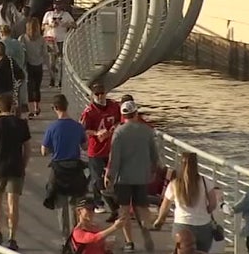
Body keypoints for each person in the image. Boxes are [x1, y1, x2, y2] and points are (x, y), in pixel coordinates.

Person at [106, 100, 159, 253]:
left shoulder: (119, 132)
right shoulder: (147, 131)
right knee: (142, 208)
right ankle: (146, 235)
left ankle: (129, 242)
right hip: (142, 177)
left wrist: (109, 175)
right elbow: (154, 154)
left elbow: (114, 158)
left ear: (122, 115)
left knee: (124, 210)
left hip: (123, 178)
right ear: (136, 113)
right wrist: (154, 170)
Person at [0, 94, 31, 252]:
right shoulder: (22, 124)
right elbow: (28, 149)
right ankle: (12, 237)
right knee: (13, 204)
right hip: (16, 168)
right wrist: (23, 165)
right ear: (13, 106)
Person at [41, 94, 88, 242]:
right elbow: (85, 146)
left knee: (61, 208)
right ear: (67, 105)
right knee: (76, 205)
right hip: (75, 169)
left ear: (55, 108)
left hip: (59, 170)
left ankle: (64, 240)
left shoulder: (52, 127)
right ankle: (77, 237)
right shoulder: (77, 126)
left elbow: (44, 151)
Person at [153, 152, 219, 253]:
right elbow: (213, 204)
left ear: (181, 165)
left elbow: (165, 208)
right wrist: (206, 211)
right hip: (203, 227)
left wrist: (159, 221)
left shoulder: (174, 184)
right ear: (196, 165)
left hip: (181, 226)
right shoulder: (206, 182)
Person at [80, 83, 121, 217]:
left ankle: (116, 202)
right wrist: (96, 133)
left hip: (111, 148)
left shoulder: (115, 106)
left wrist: (115, 127)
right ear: (92, 95)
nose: (100, 96)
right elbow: (84, 130)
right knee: (97, 179)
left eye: (102, 93)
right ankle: (99, 203)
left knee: (112, 177)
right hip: (96, 150)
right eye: (97, 94)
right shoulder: (89, 111)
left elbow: (120, 121)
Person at [20, 18, 47, 118]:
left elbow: (22, 51)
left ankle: (31, 110)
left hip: (28, 64)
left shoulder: (23, 38)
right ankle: (37, 108)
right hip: (38, 64)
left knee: (30, 87)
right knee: (37, 87)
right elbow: (45, 53)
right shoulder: (41, 39)